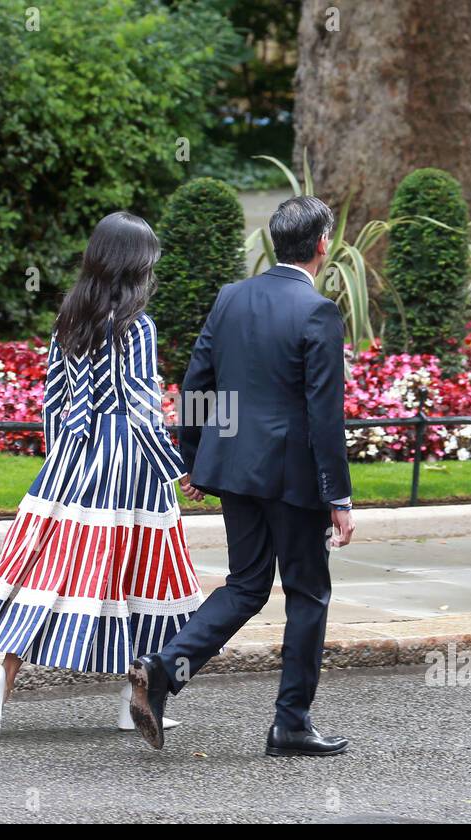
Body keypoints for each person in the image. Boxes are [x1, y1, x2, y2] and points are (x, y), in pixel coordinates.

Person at [0, 211, 204, 738]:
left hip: (73, 458)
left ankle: (2, 676)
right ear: (135, 265)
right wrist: (174, 467)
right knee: (141, 572)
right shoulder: (138, 325)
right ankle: (137, 693)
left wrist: (61, 460)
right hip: (127, 464)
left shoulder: (70, 317)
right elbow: (139, 407)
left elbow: (53, 400)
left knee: (54, 570)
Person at [127, 196, 355, 757]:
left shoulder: (232, 298)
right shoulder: (318, 312)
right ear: (322, 244)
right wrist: (340, 496)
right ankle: (291, 723)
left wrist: (197, 458)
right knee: (307, 594)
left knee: (247, 585)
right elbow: (325, 414)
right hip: (293, 483)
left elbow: (198, 382)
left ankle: (163, 671)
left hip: (235, 472)